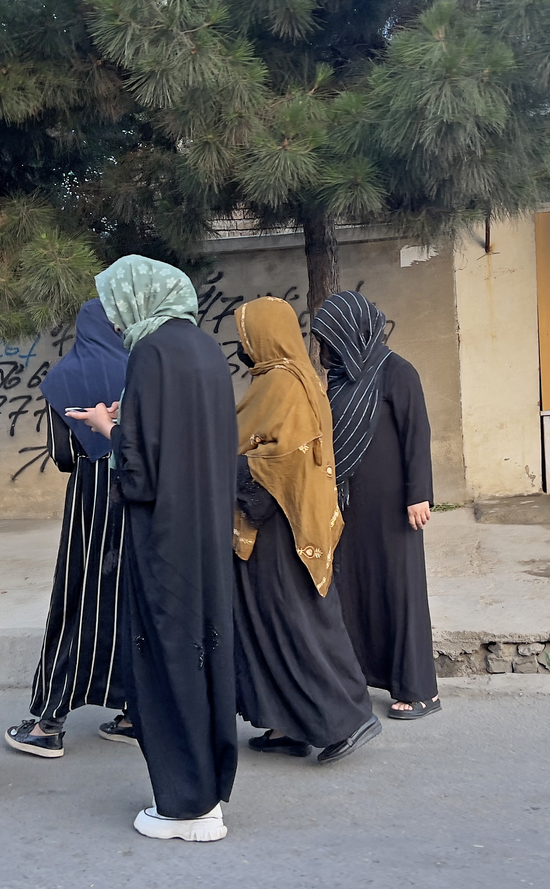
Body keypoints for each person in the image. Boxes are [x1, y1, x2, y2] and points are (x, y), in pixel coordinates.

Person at [68, 255, 239, 843]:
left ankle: (185, 808)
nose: (116, 320)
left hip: (164, 538)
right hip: (207, 532)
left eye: (117, 306)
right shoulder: (205, 348)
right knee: (203, 658)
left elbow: (140, 472)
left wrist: (107, 428)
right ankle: (207, 796)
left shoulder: (150, 354)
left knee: (166, 662)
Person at [230, 297, 380, 763]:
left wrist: (229, 466)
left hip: (281, 525)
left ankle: (348, 718)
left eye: (246, 335)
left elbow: (284, 458)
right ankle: (289, 725)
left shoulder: (283, 383)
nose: (243, 345)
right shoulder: (279, 379)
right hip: (272, 522)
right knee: (271, 624)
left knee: (298, 622)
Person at [6, 299, 133, 758]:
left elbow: (61, 454)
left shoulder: (64, 376)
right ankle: (133, 713)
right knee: (129, 596)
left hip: (91, 496)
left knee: (78, 596)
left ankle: (49, 724)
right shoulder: (139, 367)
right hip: (138, 490)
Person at [310, 290, 440, 720]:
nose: (325, 350)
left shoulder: (398, 372)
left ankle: (420, 689)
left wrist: (418, 494)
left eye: (331, 340)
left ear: (354, 332)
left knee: (400, 591)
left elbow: (416, 434)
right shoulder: (342, 378)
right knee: (356, 590)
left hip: (394, 507)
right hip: (350, 503)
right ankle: (361, 678)